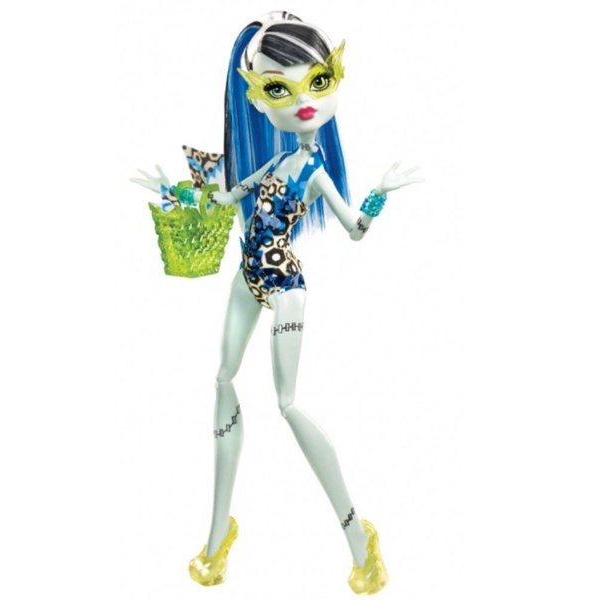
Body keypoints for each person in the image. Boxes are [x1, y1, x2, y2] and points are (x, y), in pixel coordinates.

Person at [132, 11, 423, 595]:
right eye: (278, 88)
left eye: (318, 81)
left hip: (285, 283)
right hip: (248, 273)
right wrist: (175, 193)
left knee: (287, 403)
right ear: (258, 99)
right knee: (222, 379)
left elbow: (355, 230)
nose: (303, 101)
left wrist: (379, 194)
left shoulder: (314, 170)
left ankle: (359, 537)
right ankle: (218, 535)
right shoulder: (275, 161)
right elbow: (228, 197)